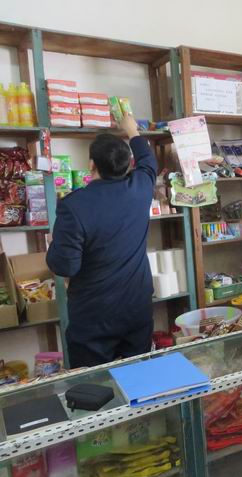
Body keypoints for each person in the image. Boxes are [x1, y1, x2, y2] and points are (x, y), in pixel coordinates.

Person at [47, 114, 157, 368]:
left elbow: (65, 266)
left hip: (94, 316)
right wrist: (132, 130)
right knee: (139, 377)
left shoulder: (73, 205)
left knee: (93, 384)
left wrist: (54, 245)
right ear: (128, 165)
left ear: (91, 165)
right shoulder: (140, 187)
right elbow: (148, 160)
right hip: (136, 308)